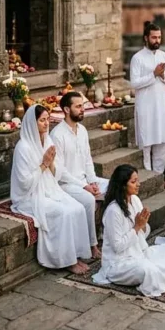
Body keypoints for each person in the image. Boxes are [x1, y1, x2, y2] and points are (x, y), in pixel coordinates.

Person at [10, 105, 92, 274]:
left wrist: (52, 163)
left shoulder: (47, 140)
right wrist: (44, 164)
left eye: (48, 119)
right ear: (32, 123)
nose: (46, 124)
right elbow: (24, 183)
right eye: (42, 120)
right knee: (64, 213)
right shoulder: (23, 148)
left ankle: (76, 254)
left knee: (77, 208)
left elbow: (57, 174)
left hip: (50, 189)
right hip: (29, 196)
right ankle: (66, 260)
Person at [93, 165, 165, 297]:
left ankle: (159, 274)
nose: (138, 184)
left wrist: (143, 226)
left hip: (140, 253)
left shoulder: (135, 200)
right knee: (148, 271)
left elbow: (143, 233)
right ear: (122, 185)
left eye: (137, 180)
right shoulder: (113, 211)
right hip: (119, 264)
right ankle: (158, 274)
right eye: (133, 182)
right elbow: (118, 247)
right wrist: (137, 227)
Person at [51, 91, 104, 259]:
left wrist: (93, 181)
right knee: (88, 200)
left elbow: (87, 160)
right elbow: (61, 171)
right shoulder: (57, 134)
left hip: (84, 181)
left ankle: (107, 234)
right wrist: (85, 187)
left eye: (83, 106)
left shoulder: (82, 130)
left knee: (115, 185)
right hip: (65, 184)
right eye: (78, 106)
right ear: (66, 109)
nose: (82, 110)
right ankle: (92, 245)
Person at [130, 21, 165, 175]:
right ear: (146, 38)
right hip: (145, 105)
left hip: (161, 105)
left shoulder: (164, 56)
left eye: (159, 37)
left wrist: (162, 75)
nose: (157, 41)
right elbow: (135, 83)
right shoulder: (137, 58)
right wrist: (153, 74)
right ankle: (148, 175)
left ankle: (158, 176)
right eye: (154, 37)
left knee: (162, 141)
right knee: (147, 140)